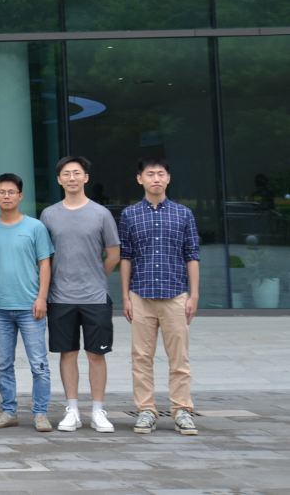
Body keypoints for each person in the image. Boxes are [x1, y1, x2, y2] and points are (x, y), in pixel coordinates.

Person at [120, 156, 200, 436]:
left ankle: (182, 410)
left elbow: (192, 255)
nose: (156, 178)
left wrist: (194, 295)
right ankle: (146, 410)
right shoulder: (130, 214)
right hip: (140, 295)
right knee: (141, 357)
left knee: (179, 357)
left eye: (161, 174)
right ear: (140, 179)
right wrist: (125, 296)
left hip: (175, 294)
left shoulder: (183, 214)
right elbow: (126, 256)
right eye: (150, 174)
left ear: (168, 178)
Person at [40, 156, 120, 433]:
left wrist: (95, 277)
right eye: (66, 173)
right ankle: (72, 410)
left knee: (96, 354)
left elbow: (113, 254)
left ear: (86, 177)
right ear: (59, 179)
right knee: (68, 353)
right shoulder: (49, 215)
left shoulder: (101, 214)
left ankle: (98, 411)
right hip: (60, 297)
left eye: (77, 173)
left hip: (95, 297)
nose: (71, 178)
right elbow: (44, 257)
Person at [0, 173, 55, 433]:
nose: (7, 196)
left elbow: (44, 263)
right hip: (0, 307)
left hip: (30, 306)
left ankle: (41, 413)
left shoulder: (35, 227)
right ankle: (9, 411)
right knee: (3, 364)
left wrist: (42, 298)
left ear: (20, 196)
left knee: (39, 364)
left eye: (11, 192)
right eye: (1, 192)